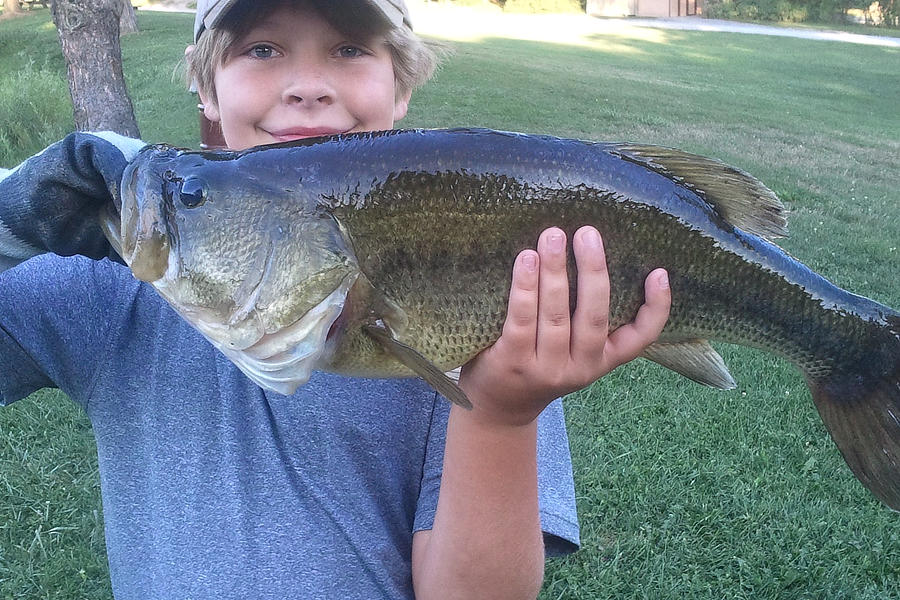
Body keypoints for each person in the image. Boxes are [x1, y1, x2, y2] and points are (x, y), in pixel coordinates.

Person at [0, 0, 671, 598]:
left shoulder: (489, 310)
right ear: (205, 85)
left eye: (350, 48)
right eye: (262, 49)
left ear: (400, 83)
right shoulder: (113, 288)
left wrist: (500, 417)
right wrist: (18, 211)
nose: (309, 87)